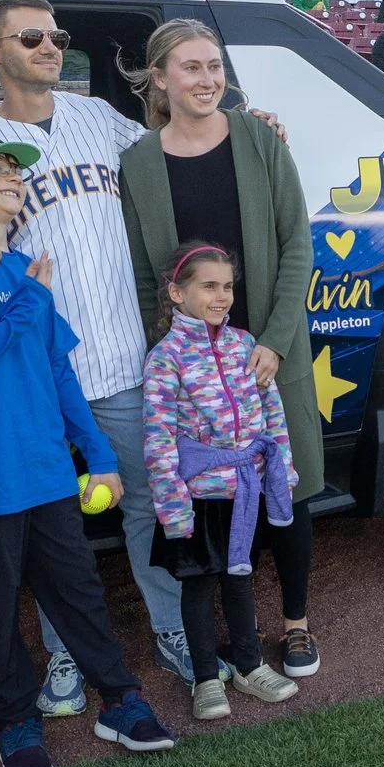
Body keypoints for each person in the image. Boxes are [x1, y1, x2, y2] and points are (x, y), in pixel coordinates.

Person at [0, 0, 288, 711]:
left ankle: (174, 630)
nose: (50, 46)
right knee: (55, 532)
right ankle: (65, 656)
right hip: (33, 377)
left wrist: (248, 126)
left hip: (122, 359)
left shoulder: (100, 120)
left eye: (57, 35)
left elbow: (179, 138)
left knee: (151, 502)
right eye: (31, 36)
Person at [0, 127, 179, 767]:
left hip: (46, 469)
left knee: (80, 591)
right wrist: (26, 304)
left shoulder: (18, 269)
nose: (12, 174)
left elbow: (60, 374)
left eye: (15, 166)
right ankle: (15, 720)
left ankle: (122, 698)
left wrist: (100, 454)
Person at [117, 19, 326, 681]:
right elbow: (149, 275)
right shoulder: (140, 163)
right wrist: (176, 365)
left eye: (214, 66)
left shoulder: (259, 137)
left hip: (269, 354)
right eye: (190, 68)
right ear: (160, 79)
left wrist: (274, 343)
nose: (206, 79)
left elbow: (298, 243)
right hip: (195, 375)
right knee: (212, 504)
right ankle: (226, 643)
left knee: (287, 491)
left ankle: (294, 625)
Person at [141, 243, 304, 720]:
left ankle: (250, 667)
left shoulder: (244, 344)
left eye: (228, 286)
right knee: (198, 585)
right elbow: (158, 438)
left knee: (241, 578)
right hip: (198, 498)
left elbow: (272, 414)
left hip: (246, 492)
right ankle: (207, 679)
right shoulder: (165, 358)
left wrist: (282, 472)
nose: (222, 296)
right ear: (177, 293)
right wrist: (173, 507)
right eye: (209, 286)